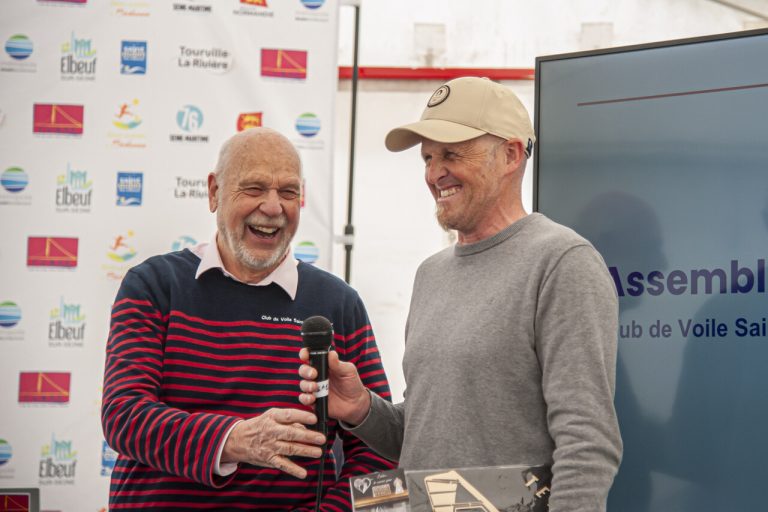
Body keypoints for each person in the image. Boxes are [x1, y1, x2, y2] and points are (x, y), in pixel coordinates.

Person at [298, 77, 622, 512]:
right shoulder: (431, 273)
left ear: (510, 154)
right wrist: (361, 409)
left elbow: (587, 443)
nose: (434, 174)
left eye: (451, 154)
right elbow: (427, 439)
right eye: (428, 158)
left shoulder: (562, 262)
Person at [102, 127, 394, 510]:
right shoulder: (154, 285)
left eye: (288, 192)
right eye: (254, 189)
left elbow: (381, 456)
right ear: (214, 192)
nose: (273, 207)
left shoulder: (337, 304)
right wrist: (236, 439)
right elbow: (125, 415)